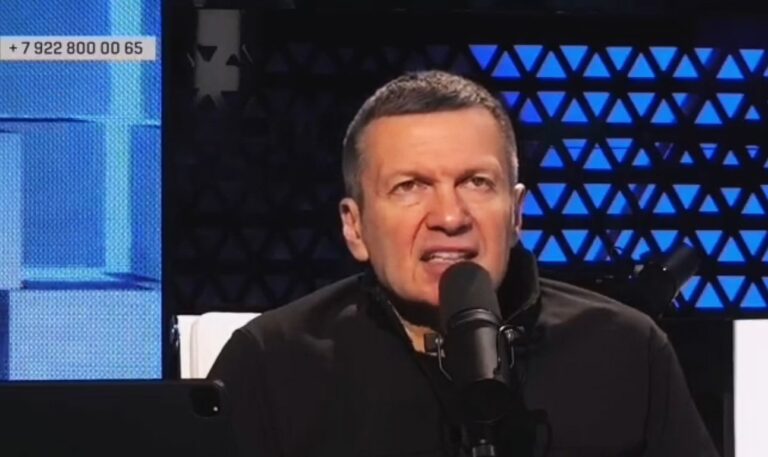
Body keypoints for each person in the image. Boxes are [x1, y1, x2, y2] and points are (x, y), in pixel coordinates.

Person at [208, 70, 719, 457]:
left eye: (477, 182)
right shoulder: (271, 363)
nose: (450, 217)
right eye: (410, 186)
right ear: (355, 227)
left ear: (516, 213)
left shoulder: (626, 350)